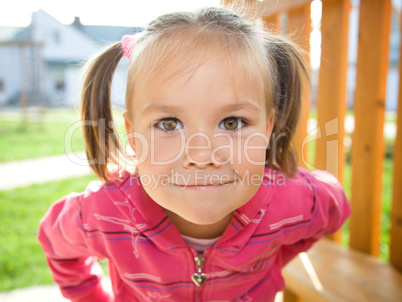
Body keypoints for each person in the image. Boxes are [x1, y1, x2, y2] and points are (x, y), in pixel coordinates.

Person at [38, 7, 351, 302]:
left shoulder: (293, 201)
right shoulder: (103, 213)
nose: (202, 155)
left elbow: (335, 205)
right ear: (133, 135)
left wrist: (273, 258)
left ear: (268, 128)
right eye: (169, 123)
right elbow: (55, 243)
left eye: (232, 123)